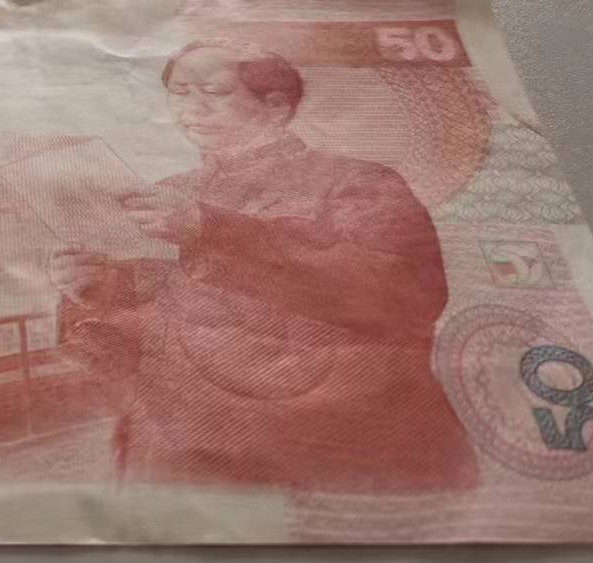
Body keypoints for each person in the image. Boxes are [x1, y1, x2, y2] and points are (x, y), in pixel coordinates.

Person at [51, 41, 478, 492]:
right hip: (184, 448)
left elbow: (406, 295)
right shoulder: (171, 192)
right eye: (179, 92)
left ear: (276, 107)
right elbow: (171, 306)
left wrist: (210, 229)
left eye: (213, 92)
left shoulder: (356, 181)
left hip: (325, 444)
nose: (191, 109)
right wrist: (103, 286)